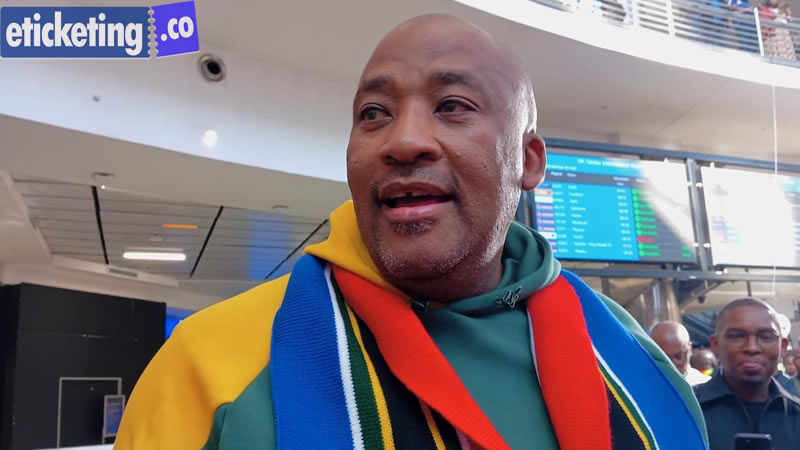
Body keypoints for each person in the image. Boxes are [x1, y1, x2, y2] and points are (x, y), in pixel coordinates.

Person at [115, 15, 708, 450]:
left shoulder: (633, 357)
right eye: (373, 113)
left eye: (452, 105)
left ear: (528, 161)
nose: (402, 141)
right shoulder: (206, 361)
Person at [694, 298, 800, 450]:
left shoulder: (796, 414)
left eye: (766, 337)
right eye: (737, 336)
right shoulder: (686, 410)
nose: (751, 348)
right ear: (716, 344)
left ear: (782, 347)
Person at [651, 321, 711, 385]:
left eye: (679, 356)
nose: (672, 365)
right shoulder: (646, 385)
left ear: (690, 349)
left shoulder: (705, 385)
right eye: (665, 358)